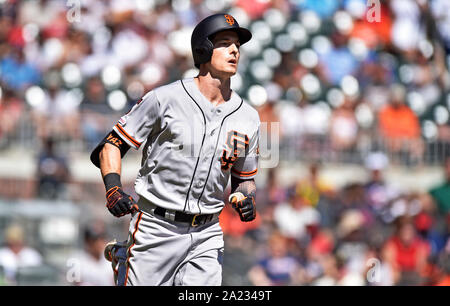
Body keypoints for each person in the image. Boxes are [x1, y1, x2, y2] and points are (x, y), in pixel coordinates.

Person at [90, 13, 260, 286]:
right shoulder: (165, 98)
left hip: (207, 233)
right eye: (225, 43)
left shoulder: (248, 116)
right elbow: (112, 144)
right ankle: (128, 256)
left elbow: (245, 180)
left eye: (237, 45)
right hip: (157, 227)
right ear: (203, 49)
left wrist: (246, 197)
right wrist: (113, 188)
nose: (234, 50)